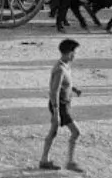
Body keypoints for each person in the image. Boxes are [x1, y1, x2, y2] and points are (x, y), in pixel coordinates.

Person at [39, 38, 84, 173]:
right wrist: (56, 112)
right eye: (75, 52)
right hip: (60, 105)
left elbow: (64, 84)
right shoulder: (60, 69)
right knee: (76, 132)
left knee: (53, 132)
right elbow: (54, 91)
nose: (75, 55)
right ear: (69, 52)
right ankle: (69, 162)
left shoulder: (64, 66)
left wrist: (74, 89)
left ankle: (44, 160)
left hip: (63, 104)